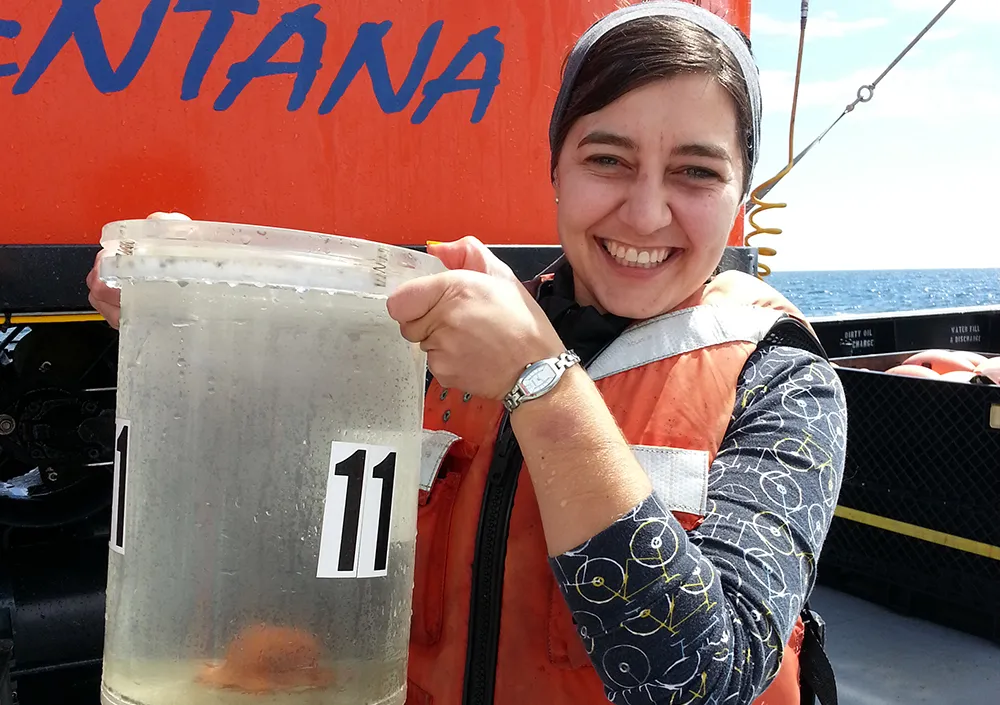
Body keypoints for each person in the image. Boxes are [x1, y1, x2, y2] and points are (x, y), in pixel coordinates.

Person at [87, 2, 847, 704]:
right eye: (606, 160)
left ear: (742, 191)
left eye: (697, 171)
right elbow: (314, 508)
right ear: (554, 170)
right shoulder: (437, 337)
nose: (647, 212)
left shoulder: (783, 384)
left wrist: (542, 387)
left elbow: (704, 678)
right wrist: (189, 309)